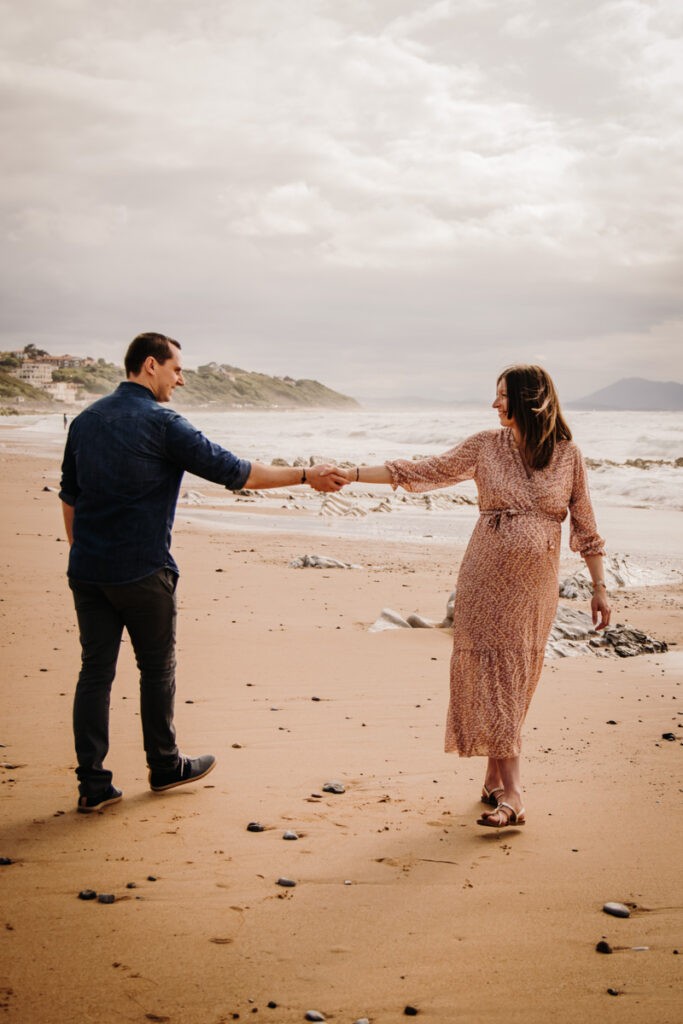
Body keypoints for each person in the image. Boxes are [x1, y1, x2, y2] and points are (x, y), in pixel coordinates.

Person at [60, 331, 346, 813]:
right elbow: (238, 473)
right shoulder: (164, 423)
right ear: (150, 365)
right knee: (156, 669)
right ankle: (165, 765)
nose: (182, 379)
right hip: (143, 571)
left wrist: (84, 552)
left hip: (88, 570)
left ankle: (93, 784)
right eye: (176, 369)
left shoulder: (86, 420)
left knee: (95, 672)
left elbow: (70, 496)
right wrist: (306, 474)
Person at [331, 365, 610, 828]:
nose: (495, 404)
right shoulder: (485, 445)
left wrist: (599, 588)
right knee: (490, 672)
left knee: (516, 674)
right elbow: (423, 471)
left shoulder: (567, 455)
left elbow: (586, 526)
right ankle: (513, 793)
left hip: (534, 587)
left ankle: (494, 779)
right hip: (484, 576)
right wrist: (353, 474)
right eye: (495, 396)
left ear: (529, 398)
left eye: (502, 396)